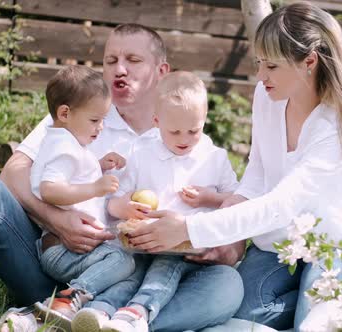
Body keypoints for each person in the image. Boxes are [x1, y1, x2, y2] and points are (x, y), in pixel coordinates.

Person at [0, 23, 243, 332]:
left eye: (133, 60)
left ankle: (80, 323)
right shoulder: (82, 110)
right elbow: (13, 172)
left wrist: (224, 249)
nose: (119, 69)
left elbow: (231, 224)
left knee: (228, 285)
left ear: (162, 71)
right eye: (110, 60)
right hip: (55, 267)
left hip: (142, 286)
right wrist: (56, 219)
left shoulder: (192, 141)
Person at [126, 2, 342, 330]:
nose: (261, 76)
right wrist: (230, 233)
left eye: (271, 66)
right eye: (260, 63)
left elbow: (281, 205)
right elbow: (258, 172)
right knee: (238, 317)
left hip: (335, 248)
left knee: (313, 326)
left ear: (309, 63)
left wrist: (190, 229)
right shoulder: (267, 96)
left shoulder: (332, 127)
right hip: (278, 246)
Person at [69, 71, 239, 332]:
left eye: (194, 130)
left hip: (186, 249)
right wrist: (122, 206)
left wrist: (209, 198)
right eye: (174, 131)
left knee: (164, 269)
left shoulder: (214, 158)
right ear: (157, 122)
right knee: (130, 274)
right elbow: (114, 200)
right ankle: (99, 311)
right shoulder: (141, 153)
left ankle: (136, 313)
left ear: (205, 121)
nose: (184, 139)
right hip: (142, 245)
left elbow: (238, 201)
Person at [28, 65, 135, 329]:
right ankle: (69, 297)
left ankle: (80, 308)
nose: (101, 127)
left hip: (66, 249)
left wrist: (98, 165)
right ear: (65, 113)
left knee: (122, 267)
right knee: (123, 261)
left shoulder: (65, 142)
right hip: (61, 251)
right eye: (95, 120)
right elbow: (50, 189)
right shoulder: (64, 147)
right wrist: (96, 188)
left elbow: (71, 176)